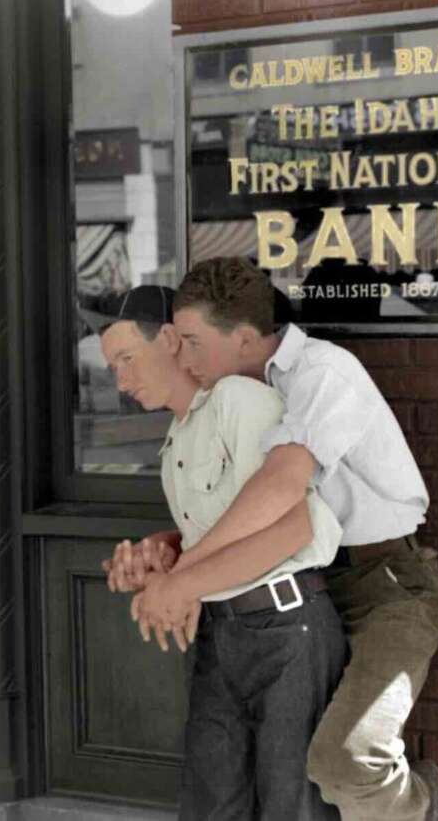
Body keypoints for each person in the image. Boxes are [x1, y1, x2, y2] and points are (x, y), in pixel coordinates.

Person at [129, 257, 438, 821]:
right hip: (308, 591)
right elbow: (243, 514)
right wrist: (174, 547)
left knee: (345, 762)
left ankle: (421, 806)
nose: (184, 358)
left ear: (246, 338)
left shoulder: (322, 373)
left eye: (195, 343)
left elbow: (280, 488)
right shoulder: (238, 398)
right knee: (282, 784)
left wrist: (182, 581)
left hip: (385, 587)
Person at [95, 285, 346, 820]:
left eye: (126, 359)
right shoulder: (176, 442)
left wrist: (179, 581)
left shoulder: (239, 399)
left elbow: (292, 525)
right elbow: (219, 537)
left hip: (286, 629)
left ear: (168, 340)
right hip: (222, 633)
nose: (120, 380)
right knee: (212, 805)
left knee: (292, 806)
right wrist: (157, 558)